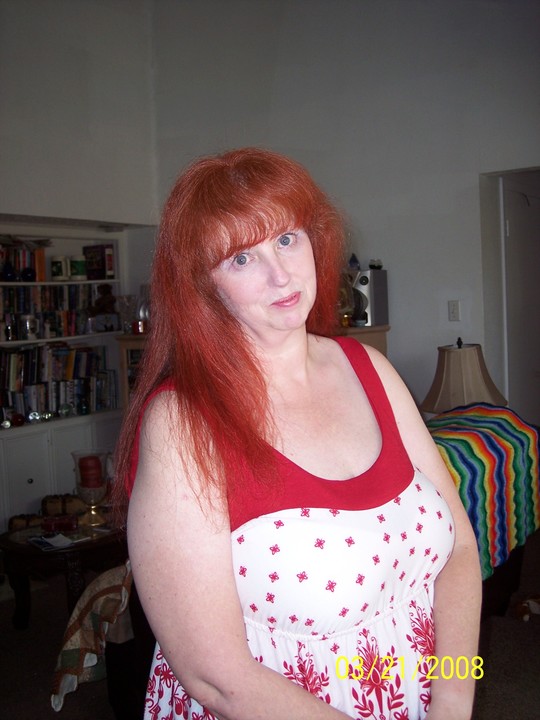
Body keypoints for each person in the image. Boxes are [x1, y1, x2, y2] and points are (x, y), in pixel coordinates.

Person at [113, 147, 482, 720]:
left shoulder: (369, 368)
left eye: (286, 239)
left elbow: (457, 548)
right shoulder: (183, 425)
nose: (280, 274)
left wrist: (453, 699)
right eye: (241, 258)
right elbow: (217, 678)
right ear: (203, 286)